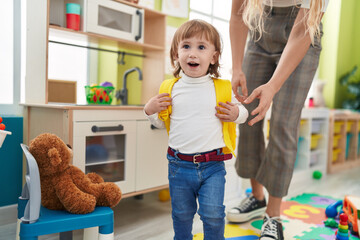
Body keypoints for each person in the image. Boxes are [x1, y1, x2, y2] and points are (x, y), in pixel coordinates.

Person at [226, 0, 329, 239]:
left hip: (303, 33)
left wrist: (272, 86)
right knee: (248, 115)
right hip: (261, 29)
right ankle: (257, 197)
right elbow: (238, 14)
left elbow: (303, 30)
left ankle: (273, 215)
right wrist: (236, 68)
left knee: (283, 124)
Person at [144, 19, 248, 240]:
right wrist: (150, 111)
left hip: (213, 166)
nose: (192, 53)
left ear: (213, 57)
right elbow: (160, 124)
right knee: (181, 215)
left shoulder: (222, 87)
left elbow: (244, 113)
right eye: (186, 46)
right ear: (176, 54)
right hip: (178, 166)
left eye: (201, 47)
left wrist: (236, 114)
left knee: (212, 214)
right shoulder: (168, 88)